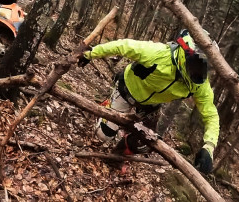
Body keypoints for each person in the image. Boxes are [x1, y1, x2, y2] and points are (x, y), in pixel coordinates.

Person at [78, 29, 219, 174]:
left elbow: (211, 114)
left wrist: (209, 147)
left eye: (204, 68)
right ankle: (107, 107)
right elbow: (123, 46)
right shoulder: (158, 54)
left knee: (146, 143)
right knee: (102, 136)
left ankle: (115, 156)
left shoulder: (200, 85)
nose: (198, 72)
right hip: (126, 91)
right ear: (185, 55)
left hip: (150, 106)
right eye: (196, 65)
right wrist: (91, 54)